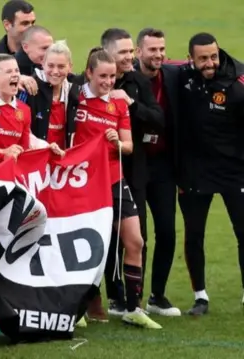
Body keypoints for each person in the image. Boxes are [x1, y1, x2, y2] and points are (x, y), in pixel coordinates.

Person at [75, 49, 161, 329]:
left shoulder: (119, 105)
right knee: (88, 246)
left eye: (112, 76)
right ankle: (82, 304)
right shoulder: (75, 98)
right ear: (88, 74)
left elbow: (129, 146)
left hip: (114, 179)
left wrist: (116, 142)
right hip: (84, 183)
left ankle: (133, 308)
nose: (109, 82)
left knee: (135, 241)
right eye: (103, 76)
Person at [98, 28, 165, 319]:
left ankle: (134, 301)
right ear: (107, 53)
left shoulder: (138, 82)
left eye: (130, 52)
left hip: (133, 172)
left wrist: (132, 104)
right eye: (122, 52)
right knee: (107, 239)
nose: (128, 58)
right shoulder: (91, 82)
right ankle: (113, 297)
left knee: (137, 237)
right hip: (99, 174)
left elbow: (158, 119)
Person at [177, 32, 244, 315]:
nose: (209, 63)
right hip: (195, 170)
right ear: (191, 58)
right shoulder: (182, 76)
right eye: (203, 58)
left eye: (213, 56)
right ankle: (200, 297)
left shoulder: (239, 83)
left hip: (234, 170)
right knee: (194, 234)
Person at [134, 28, 182, 317]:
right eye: (152, 50)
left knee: (166, 231)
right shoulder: (128, 81)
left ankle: (158, 296)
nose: (158, 55)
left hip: (164, 165)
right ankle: (134, 299)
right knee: (138, 236)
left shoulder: (174, 76)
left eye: (162, 49)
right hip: (137, 165)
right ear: (139, 52)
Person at [25, 40, 79, 150]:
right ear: (43, 64)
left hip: (62, 161)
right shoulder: (29, 87)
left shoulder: (75, 91)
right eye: (50, 65)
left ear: (70, 67)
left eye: (61, 66)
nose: (55, 71)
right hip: (36, 158)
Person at [0, 0, 36, 77]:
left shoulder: (44, 57)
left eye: (33, 23)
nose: (31, 29)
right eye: (25, 23)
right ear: (7, 25)